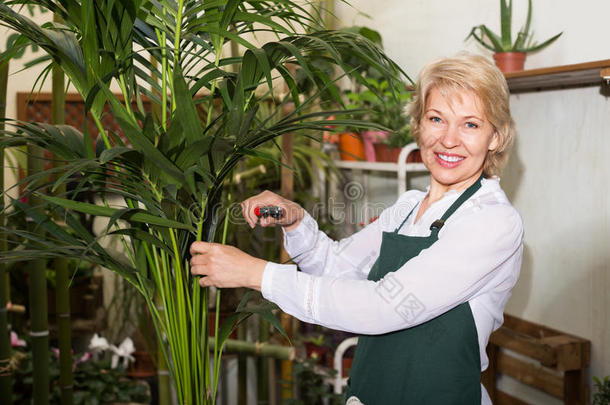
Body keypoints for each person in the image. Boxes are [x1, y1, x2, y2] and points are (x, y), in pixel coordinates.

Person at [190, 53, 524, 404]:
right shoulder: (409, 206)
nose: (449, 139)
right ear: (418, 126)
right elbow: (339, 267)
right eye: (436, 119)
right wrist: (296, 219)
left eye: (470, 124)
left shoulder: (493, 222)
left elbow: (387, 306)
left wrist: (257, 274)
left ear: (496, 138)